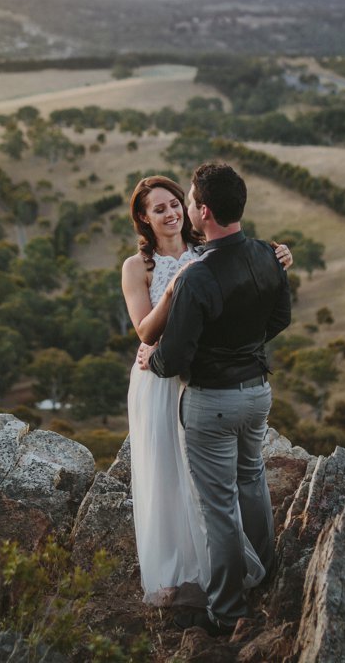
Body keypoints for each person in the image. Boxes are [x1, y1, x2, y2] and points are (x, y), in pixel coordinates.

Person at [120, 174, 291, 611]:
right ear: (143, 218)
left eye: (176, 203)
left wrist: (278, 256)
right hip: (158, 379)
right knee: (169, 473)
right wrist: (175, 286)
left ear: (195, 209)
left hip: (202, 379)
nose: (172, 212)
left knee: (215, 489)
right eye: (159, 209)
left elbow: (241, 279)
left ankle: (226, 588)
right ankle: (182, 566)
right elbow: (144, 330)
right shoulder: (136, 267)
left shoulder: (206, 253)